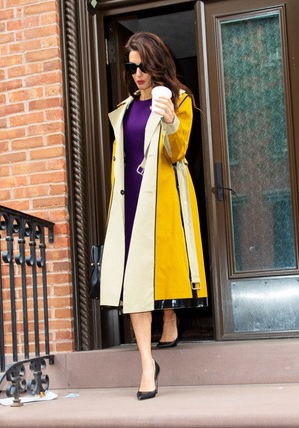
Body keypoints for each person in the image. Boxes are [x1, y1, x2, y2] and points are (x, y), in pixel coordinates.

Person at [99, 31, 208, 400]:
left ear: (156, 62)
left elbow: (177, 152)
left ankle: (171, 316)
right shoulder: (127, 108)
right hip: (130, 200)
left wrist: (171, 120)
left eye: (143, 66)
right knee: (134, 282)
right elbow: (122, 158)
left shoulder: (178, 99)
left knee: (158, 268)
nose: (138, 74)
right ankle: (147, 365)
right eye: (132, 68)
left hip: (162, 199)